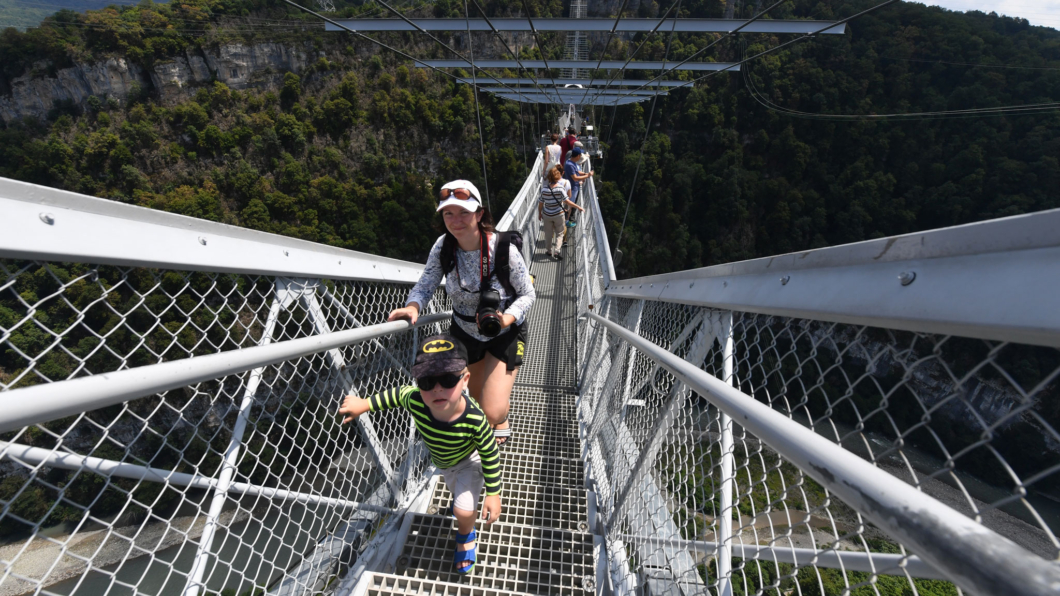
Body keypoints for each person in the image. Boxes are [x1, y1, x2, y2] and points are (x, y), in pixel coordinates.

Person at [338, 334, 501, 574]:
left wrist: (494, 493)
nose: (437, 388)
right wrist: (365, 404)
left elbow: (489, 453)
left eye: (448, 379)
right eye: (426, 381)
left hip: (469, 461)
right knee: (456, 492)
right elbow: (396, 395)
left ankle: (466, 535)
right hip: (444, 462)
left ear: (465, 379)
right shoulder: (416, 400)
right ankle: (462, 506)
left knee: (463, 510)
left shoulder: (475, 419)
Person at [388, 180, 535, 447]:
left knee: (492, 411)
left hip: (503, 331)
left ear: (479, 214)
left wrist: (507, 318)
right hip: (465, 332)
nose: (456, 220)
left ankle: (501, 417)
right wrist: (413, 306)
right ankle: (491, 415)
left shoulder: (504, 250)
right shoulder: (443, 247)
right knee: (475, 401)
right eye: (448, 213)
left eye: (464, 212)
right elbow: (426, 283)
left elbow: (528, 294)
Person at [539, 167, 583, 259]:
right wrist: (578, 207)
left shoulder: (544, 190)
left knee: (548, 233)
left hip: (547, 215)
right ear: (558, 176)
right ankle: (557, 251)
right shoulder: (560, 189)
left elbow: (541, 204)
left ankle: (548, 251)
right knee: (560, 233)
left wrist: (540, 213)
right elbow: (567, 201)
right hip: (558, 214)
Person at [563, 147, 594, 227]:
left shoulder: (571, 162)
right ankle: (566, 222)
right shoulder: (570, 165)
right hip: (572, 188)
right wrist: (587, 176)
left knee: (569, 205)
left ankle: (565, 220)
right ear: (578, 156)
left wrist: (585, 173)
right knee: (570, 205)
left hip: (573, 187)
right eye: (580, 155)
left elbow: (576, 172)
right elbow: (575, 178)